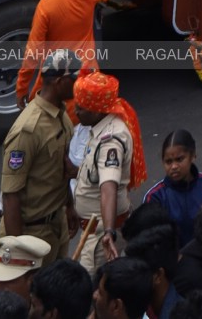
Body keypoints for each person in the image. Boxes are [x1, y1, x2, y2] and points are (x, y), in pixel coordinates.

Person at [0, 49, 79, 265]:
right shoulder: (28, 130)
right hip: (32, 233)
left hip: (56, 226)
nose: (79, 84)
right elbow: (10, 195)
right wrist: (18, 254)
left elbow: (62, 172)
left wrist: (69, 206)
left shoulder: (62, 116)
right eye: (75, 78)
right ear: (59, 82)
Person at [69, 68, 147, 271]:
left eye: (81, 108)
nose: (76, 112)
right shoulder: (101, 126)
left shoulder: (110, 141)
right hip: (92, 230)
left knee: (92, 290)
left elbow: (108, 187)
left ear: (96, 110)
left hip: (98, 235)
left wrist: (108, 233)